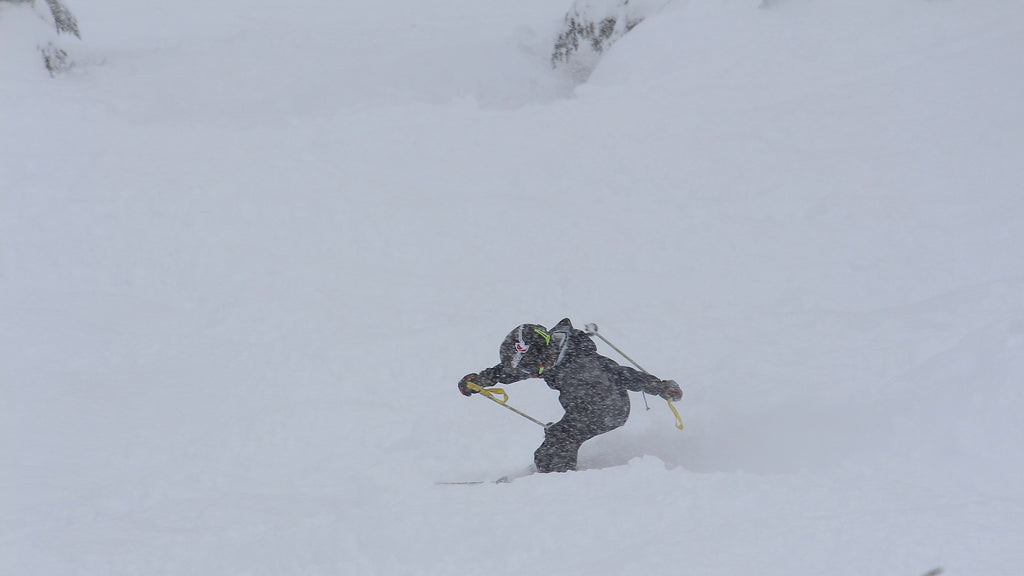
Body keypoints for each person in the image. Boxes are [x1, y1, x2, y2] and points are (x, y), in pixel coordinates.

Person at [458, 318, 682, 473]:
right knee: (558, 435)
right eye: (527, 371)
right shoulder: (545, 358)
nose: (531, 375)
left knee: (560, 437)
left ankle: (556, 477)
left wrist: (660, 387)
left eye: (533, 369)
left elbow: (622, 374)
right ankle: (551, 468)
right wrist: (480, 380)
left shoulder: (582, 361)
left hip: (608, 408)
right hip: (580, 406)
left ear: (545, 354)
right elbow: (509, 371)